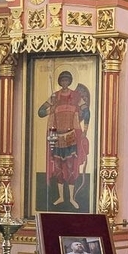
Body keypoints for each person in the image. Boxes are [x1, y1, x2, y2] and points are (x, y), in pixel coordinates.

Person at [37, 71, 91, 208]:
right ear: (60, 82)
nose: (65, 83)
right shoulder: (54, 97)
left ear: (70, 81)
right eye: (62, 80)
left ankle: (71, 198)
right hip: (57, 136)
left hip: (71, 136)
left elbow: (86, 111)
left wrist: (85, 130)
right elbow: (40, 112)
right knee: (58, 167)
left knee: (71, 166)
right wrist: (51, 110)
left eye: (67, 80)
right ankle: (61, 197)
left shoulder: (76, 96)